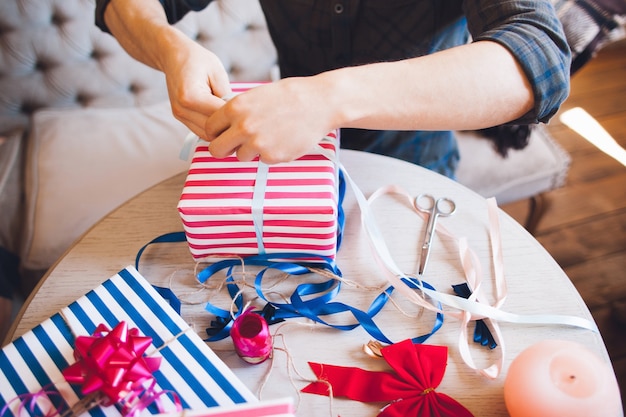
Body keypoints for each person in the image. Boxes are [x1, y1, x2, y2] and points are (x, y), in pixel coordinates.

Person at [95, 0, 570, 178]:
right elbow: (122, 5)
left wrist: (327, 99)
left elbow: (540, 58)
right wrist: (172, 49)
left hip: (410, 171)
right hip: (283, 167)